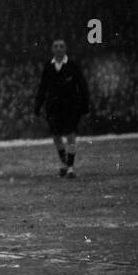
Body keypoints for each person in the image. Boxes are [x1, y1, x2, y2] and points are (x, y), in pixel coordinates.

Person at [33, 38, 90, 178]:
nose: (58, 48)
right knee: (56, 137)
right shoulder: (48, 67)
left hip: (71, 107)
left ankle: (70, 166)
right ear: (52, 49)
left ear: (65, 49)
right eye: (56, 46)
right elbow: (42, 88)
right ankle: (64, 163)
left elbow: (83, 86)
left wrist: (85, 107)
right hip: (53, 108)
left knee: (71, 136)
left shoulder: (72, 66)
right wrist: (37, 106)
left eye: (61, 46)